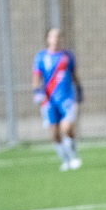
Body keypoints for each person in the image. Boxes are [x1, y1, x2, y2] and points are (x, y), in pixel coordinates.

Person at [32, 27, 83, 171]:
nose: (55, 39)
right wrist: (37, 90)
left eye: (58, 37)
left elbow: (74, 74)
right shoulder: (41, 57)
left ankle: (73, 154)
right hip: (49, 100)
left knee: (66, 127)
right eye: (52, 37)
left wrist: (79, 88)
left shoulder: (67, 56)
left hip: (67, 97)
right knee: (54, 132)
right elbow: (36, 77)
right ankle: (65, 159)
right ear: (48, 39)